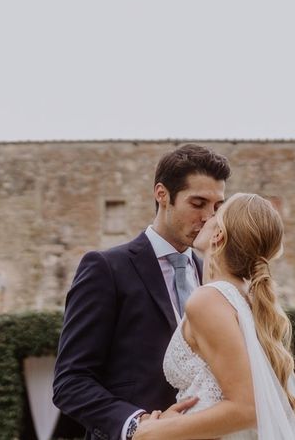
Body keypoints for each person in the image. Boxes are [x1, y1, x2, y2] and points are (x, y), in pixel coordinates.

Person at [53, 144, 231, 440]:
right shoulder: (106, 268)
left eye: (217, 207)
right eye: (198, 203)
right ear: (162, 194)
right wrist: (139, 424)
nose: (208, 218)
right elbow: (71, 381)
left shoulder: (213, 278)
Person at [134, 193, 295, 440]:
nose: (206, 217)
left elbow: (247, 408)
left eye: (215, 214)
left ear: (218, 234)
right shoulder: (246, 300)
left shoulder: (209, 300)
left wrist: (153, 432)